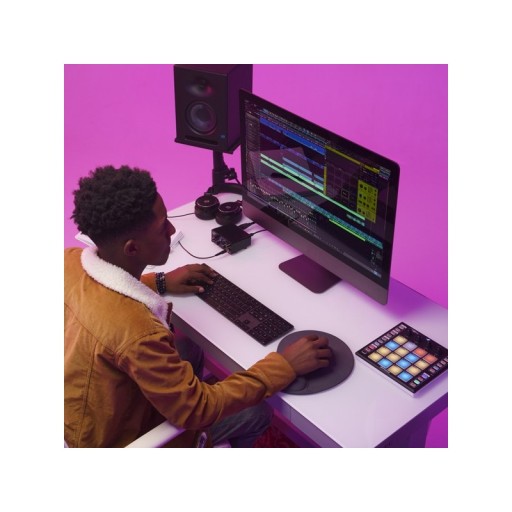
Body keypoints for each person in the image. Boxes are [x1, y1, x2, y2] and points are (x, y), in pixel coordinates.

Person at [64, 165, 331, 447]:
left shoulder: (69, 261)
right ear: (132, 248)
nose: (172, 230)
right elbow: (197, 409)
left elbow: (103, 289)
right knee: (257, 413)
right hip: (110, 443)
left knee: (188, 349)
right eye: (162, 227)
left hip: (78, 414)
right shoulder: (138, 333)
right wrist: (284, 366)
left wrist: (160, 281)